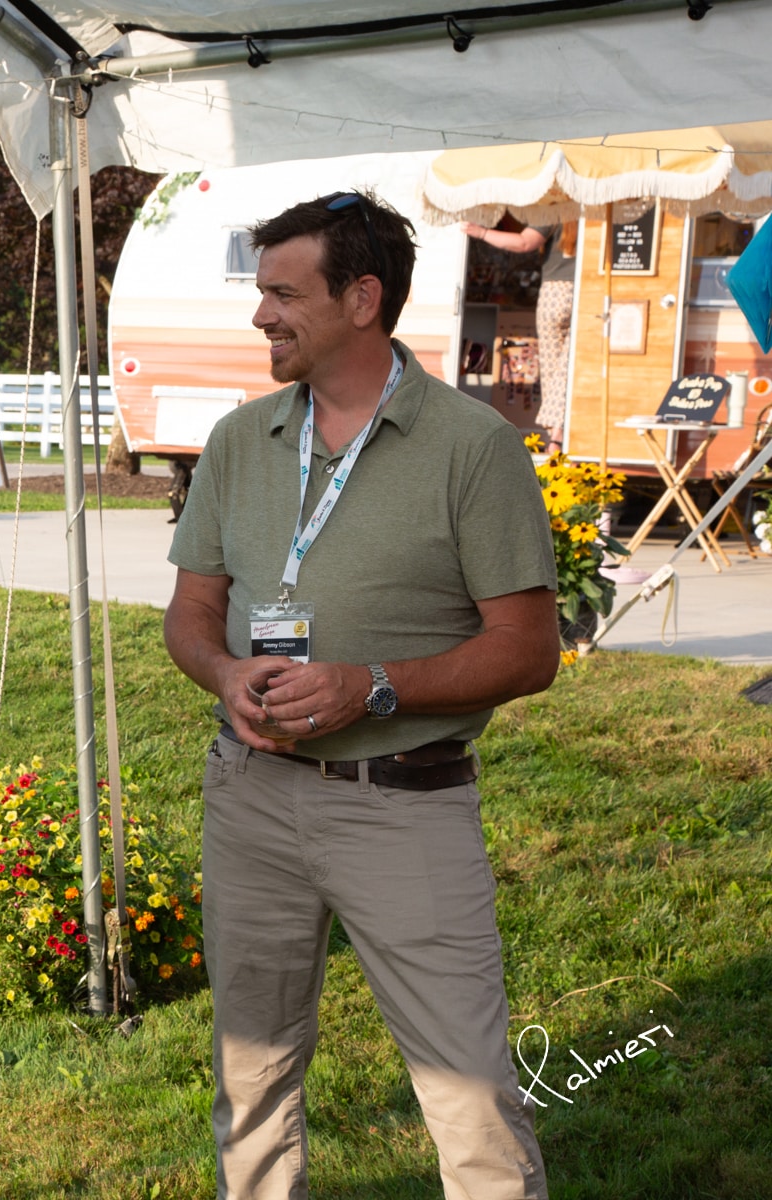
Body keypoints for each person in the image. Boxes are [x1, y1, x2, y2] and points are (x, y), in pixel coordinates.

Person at [164, 191, 559, 1200]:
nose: (262, 315)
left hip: (403, 804)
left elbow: (528, 651)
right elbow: (191, 615)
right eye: (262, 293)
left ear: (363, 299)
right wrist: (224, 673)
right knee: (251, 1078)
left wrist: (369, 688)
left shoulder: (473, 446)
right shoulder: (239, 439)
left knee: (470, 1097)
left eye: (284, 295)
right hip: (251, 796)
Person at [461, 218, 578, 452]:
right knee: (569, 364)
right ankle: (559, 434)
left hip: (554, 292)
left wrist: (481, 232)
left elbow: (525, 242)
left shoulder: (555, 210)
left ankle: (555, 434)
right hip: (583, 289)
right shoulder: (597, 212)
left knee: (552, 365)